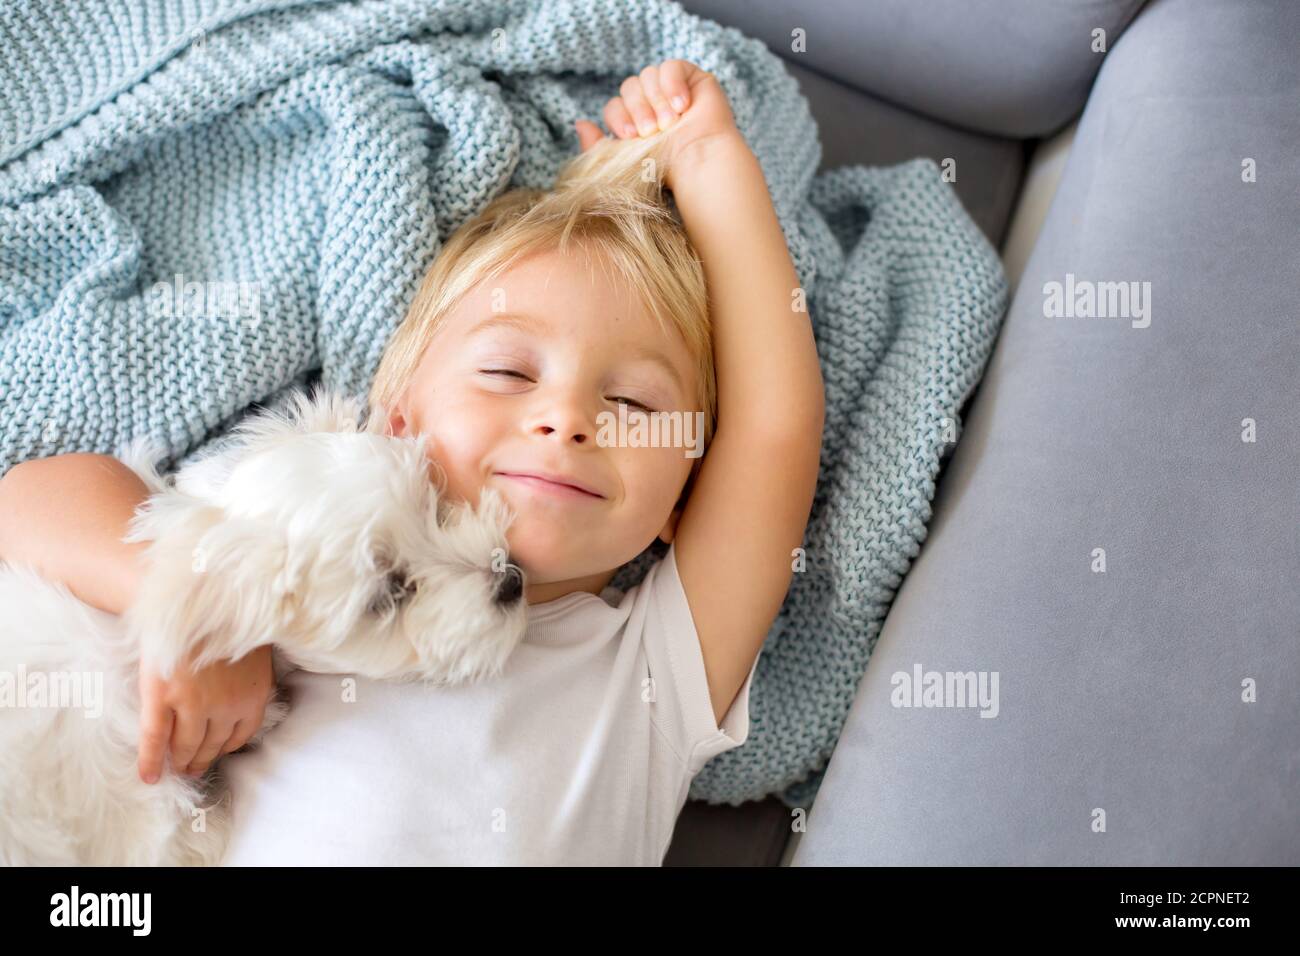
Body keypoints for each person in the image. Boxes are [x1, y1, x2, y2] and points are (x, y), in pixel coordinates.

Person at [0, 60, 824, 864]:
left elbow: (772, 429)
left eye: (634, 405)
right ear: (401, 422)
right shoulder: (335, 534)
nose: (566, 419)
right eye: (508, 372)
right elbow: (28, 502)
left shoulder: (655, 668)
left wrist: (708, 161)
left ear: (689, 488)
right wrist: (193, 620)